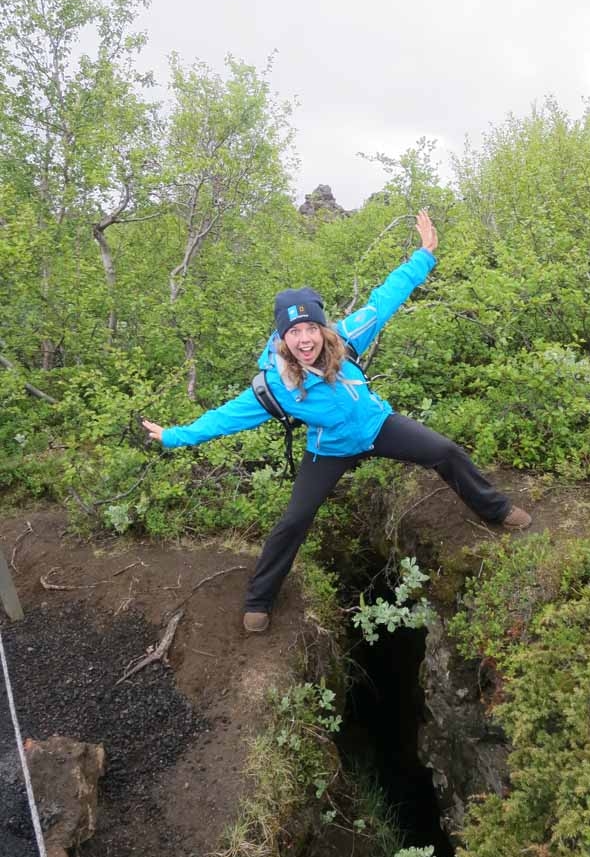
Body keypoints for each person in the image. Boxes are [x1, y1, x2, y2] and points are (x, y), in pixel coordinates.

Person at [142, 210, 531, 633]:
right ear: (282, 338)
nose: (304, 338)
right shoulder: (275, 385)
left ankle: (497, 510)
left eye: (310, 327)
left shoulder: (345, 339)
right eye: (294, 332)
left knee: (444, 451)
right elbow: (225, 419)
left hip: (377, 426)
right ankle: (259, 600)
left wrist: (424, 255)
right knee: (295, 518)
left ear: (321, 327)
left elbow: (386, 298)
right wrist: (176, 436)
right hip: (329, 447)